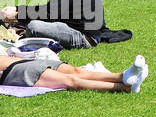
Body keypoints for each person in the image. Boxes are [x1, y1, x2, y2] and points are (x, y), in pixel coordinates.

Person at [0, 52, 148, 93]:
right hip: (12, 72)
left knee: (76, 70)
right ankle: (124, 87)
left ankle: (123, 76)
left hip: (22, 60)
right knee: (70, 81)